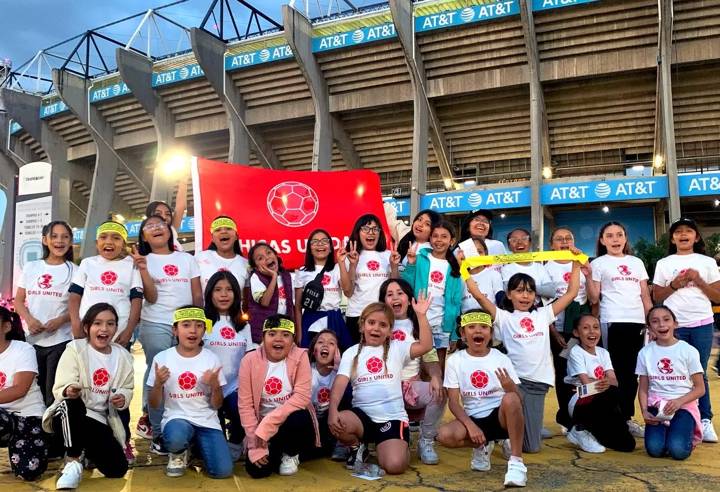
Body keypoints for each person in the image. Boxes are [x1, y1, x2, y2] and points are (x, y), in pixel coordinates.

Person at [466, 256, 582, 453]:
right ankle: (502, 436)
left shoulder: (543, 314)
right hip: (514, 382)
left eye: (529, 291)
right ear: (509, 295)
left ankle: (513, 434)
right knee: (514, 424)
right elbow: (478, 295)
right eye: (519, 290)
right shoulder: (504, 317)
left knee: (532, 447)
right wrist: (464, 269)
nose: (525, 295)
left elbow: (571, 293)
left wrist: (576, 263)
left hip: (537, 383)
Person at [328, 300, 433, 475]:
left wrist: (421, 316)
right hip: (362, 419)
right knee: (339, 420)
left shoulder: (397, 348)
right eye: (371, 323)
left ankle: (397, 444)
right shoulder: (351, 352)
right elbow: (339, 384)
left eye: (383, 325)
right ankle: (357, 447)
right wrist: (332, 409)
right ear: (362, 326)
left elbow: (426, 346)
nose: (376, 328)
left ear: (390, 331)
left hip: (391, 419)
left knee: (395, 466)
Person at [43, 303, 133, 489]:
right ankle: (72, 461)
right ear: (87, 328)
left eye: (110, 324)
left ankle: (84, 449)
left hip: (99, 420)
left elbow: (127, 387)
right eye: (97, 323)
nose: (104, 329)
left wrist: (122, 397)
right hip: (70, 416)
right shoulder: (75, 349)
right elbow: (61, 386)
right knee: (71, 404)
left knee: (118, 469)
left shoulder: (123, 356)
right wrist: (69, 389)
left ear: (116, 328)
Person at [132, 215, 202, 451]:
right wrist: (142, 269)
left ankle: (187, 426)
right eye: (149, 226)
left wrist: (199, 324)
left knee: (187, 373)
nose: (156, 228)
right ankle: (159, 433)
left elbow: (197, 296)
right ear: (144, 236)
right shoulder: (144, 260)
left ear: (170, 231)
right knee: (160, 376)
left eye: (160, 225)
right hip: (156, 323)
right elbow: (150, 297)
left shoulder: (186, 259)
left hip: (187, 324)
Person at [436, 310, 527, 487]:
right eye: (471, 327)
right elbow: (453, 402)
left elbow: (519, 400)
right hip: (474, 417)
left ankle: (517, 464)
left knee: (511, 399)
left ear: (491, 334)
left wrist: (510, 387)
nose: (478, 331)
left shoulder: (501, 358)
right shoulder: (455, 360)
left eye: (484, 327)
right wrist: (471, 427)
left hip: (500, 417)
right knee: (443, 435)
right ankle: (482, 445)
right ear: (463, 334)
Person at [652, 217, 720, 443]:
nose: (683, 235)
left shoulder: (707, 262)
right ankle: (674, 415)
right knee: (674, 373)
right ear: (672, 238)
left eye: (688, 231)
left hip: (701, 323)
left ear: (696, 237)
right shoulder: (664, 263)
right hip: (674, 327)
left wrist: (699, 281)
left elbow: (717, 296)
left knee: (698, 373)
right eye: (678, 231)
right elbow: (657, 297)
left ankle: (704, 419)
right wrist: (675, 284)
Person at [147, 306, 232, 479]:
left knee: (222, 472)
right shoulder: (162, 358)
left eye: (199, 325)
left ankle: (195, 447)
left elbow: (217, 405)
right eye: (186, 325)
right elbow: (155, 405)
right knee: (176, 436)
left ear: (204, 330)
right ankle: (177, 453)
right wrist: (157, 384)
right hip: (177, 419)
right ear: (175, 330)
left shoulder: (211, 358)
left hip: (207, 422)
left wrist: (215, 386)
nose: (193, 330)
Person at [585, 221, 651, 438]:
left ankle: (626, 417)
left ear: (625, 239)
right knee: (614, 372)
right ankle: (612, 416)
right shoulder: (599, 264)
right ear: (602, 241)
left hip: (637, 323)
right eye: (610, 236)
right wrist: (587, 276)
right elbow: (594, 298)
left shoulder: (636, 262)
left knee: (633, 373)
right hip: (612, 321)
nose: (615, 239)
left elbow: (644, 295)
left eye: (619, 235)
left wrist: (650, 320)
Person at [238, 315, 320, 478]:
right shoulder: (249, 360)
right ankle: (275, 450)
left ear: (293, 339)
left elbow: (302, 397)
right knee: (258, 471)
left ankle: (291, 453)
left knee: (299, 416)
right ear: (263, 337)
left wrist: (269, 423)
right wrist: (256, 444)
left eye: (285, 334)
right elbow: (245, 406)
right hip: (262, 430)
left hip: (289, 423)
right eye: (272, 334)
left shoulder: (301, 356)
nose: (279, 339)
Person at [381, 279, 445, 465]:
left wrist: (435, 376)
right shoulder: (379, 323)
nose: (395, 297)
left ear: (409, 299)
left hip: (411, 385)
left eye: (400, 293)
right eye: (389, 294)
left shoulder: (418, 324)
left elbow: (430, 357)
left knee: (440, 391)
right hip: (385, 390)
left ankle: (426, 440)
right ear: (383, 301)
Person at [14, 221, 76, 408]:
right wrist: (30, 320)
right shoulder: (31, 267)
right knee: (34, 391)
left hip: (60, 341)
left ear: (71, 241)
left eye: (65, 236)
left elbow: (78, 306)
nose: (59, 241)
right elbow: (18, 300)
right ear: (45, 240)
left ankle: (52, 433)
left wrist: (61, 320)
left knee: (53, 393)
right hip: (32, 340)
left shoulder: (76, 271)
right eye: (54, 236)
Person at [637, 306, 705, 460]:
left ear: (675, 323)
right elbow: (643, 388)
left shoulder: (688, 351)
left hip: (683, 406)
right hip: (657, 406)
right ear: (649, 328)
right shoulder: (645, 353)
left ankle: (681, 432)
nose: (661, 324)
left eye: (666, 319)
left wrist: (678, 401)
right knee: (654, 450)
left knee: (678, 451)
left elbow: (700, 389)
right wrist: (644, 411)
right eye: (655, 321)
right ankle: (669, 432)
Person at [203, 271, 255, 461]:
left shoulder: (243, 325)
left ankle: (235, 442)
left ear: (236, 294)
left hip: (235, 387)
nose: (224, 295)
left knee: (243, 411)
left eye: (229, 290)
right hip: (207, 388)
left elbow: (249, 358)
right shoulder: (203, 322)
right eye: (218, 290)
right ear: (209, 293)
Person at [544, 226, 592, 432]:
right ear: (551, 244)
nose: (564, 242)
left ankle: (584, 414)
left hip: (583, 327)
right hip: (559, 328)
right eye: (559, 239)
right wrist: (553, 331)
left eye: (568, 238)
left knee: (585, 370)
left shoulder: (584, 262)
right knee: (564, 372)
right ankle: (566, 416)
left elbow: (593, 296)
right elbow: (543, 302)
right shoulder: (545, 266)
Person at [564, 314, 634, 453]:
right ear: (576, 333)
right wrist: (606, 383)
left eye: (596, 327)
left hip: (603, 398)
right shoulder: (575, 352)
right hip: (581, 399)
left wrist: (604, 384)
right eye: (586, 328)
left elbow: (614, 381)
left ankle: (595, 430)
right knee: (611, 392)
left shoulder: (603, 353)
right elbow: (586, 383)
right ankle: (579, 428)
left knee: (627, 445)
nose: (592, 332)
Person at [68, 221, 142, 345]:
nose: (109, 241)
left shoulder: (132, 265)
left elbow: (137, 300)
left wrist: (129, 330)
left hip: (119, 333)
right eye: (103, 237)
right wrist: (76, 324)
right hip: (87, 332)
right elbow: (74, 296)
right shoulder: (88, 263)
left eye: (116, 238)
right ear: (97, 243)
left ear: (124, 244)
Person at [401, 219, 463, 367]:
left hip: (442, 325)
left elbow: (456, 301)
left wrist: (454, 334)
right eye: (435, 236)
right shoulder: (421, 258)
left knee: (438, 367)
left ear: (452, 241)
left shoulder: (455, 266)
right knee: (419, 366)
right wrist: (411, 264)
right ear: (430, 239)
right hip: (419, 322)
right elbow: (407, 286)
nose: (439, 240)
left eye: (444, 236)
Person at [0, 306, 48, 481]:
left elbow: (20, 389)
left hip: (26, 416)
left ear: (6, 327)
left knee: (29, 471)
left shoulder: (23, 349)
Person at [339, 214, 400, 344]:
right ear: (358, 232)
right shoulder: (351, 256)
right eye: (366, 229)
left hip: (382, 316)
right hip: (357, 315)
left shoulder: (388, 255)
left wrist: (394, 267)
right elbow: (348, 292)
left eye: (375, 229)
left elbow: (395, 288)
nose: (371, 233)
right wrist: (353, 265)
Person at [293, 229, 352, 349]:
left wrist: (341, 263)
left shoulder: (338, 268)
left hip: (334, 318)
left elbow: (347, 290)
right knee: (310, 356)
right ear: (309, 249)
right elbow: (298, 306)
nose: (320, 244)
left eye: (324, 241)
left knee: (337, 357)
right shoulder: (302, 272)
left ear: (330, 248)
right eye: (315, 242)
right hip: (311, 318)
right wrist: (299, 332)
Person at [307, 329, 348, 460]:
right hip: (310, 421)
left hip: (330, 421)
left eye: (331, 343)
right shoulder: (306, 369)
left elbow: (352, 397)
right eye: (320, 342)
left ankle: (342, 444)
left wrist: (340, 369)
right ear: (314, 350)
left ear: (337, 351)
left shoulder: (341, 372)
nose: (325, 345)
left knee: (347, 398)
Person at [248, 242, 295, 343]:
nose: (267, 258)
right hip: (264, 332)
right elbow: (265, 302)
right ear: (256, 267)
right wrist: (274, 277)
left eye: (269, 253)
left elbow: (291, 305)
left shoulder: (286, 276)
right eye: (260, 258)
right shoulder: (256, 277)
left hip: (284, 329)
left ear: (276, 255)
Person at [194, 215, 250, 294]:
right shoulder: (199, 258)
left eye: (228, 228)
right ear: (212, 239)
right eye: (217, 230)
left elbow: (246, 300)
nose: (223, 232)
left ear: (236, 236)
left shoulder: (246, 265)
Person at [500, 228, 555, 301]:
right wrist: (539, 289)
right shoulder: (506, 269)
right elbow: (509, 290)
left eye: (524, 239)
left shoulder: (540, 267)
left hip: (538, 310)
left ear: (530, 243)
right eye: (514, 240)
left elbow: (550, 291)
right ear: (509, 247)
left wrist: (520, 287)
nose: (519, 242)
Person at [146, 172, 187, 252]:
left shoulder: (172, 231)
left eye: (168, 214)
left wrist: (183, 181)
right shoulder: (145, 239)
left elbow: (180, 207)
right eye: (158, 213)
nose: (164, 217)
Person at [460, 237, 504, 313]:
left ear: (485, 254)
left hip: (489, 321)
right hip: (466, 322)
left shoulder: (493, 275)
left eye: (480, 252)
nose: (476, 256)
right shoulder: (459, 278)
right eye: (471, 252)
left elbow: (500, 298)